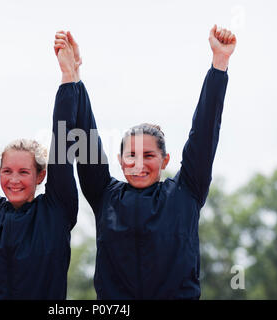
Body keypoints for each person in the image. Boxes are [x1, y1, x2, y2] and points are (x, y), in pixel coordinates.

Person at [55, 25, 236, 299]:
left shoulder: (186, 192)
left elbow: (205, 132)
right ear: (119, 160)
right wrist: (72, 76)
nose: (139, 164)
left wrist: (219, 63)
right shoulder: (104, 195)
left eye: (149, 156)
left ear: (165, 160)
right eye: (131, 156)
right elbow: (85, 135)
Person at [0, 36, 80, 299]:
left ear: (41, 175)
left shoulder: (57, 210)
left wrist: (68, 76)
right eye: (7, 171)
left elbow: (64, 143)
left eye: (23, 172)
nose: (14, 180)